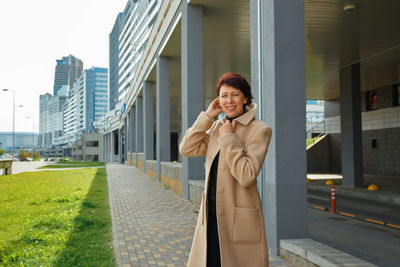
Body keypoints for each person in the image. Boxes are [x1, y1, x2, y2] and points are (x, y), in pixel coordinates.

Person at [179, 72, 272, 267]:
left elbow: (247, 176)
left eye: (235, 94)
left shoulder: (259, 129)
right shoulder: (216, 127)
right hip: (211, 215)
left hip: (238, 219)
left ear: (245, 98)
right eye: (224, 95)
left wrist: (229, 138)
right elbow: (186, 148)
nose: (229, 100)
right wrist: (206, 117)